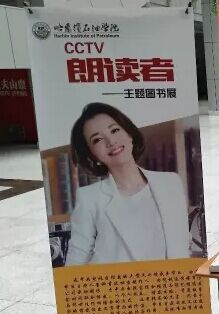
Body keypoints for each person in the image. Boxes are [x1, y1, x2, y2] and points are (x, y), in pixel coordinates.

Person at [65, 103, 190, 265]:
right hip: (116, 280)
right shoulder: (89, 198)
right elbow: (77, 257)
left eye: (114, 130)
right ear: (92, 155)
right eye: (97, 139)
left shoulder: (170, 183)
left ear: (129, 134)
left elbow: (182, 245)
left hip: (167, 279)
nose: (111, 141)